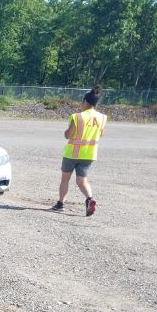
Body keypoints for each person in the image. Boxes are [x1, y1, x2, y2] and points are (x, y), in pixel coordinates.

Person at [53, 86, 107, 216]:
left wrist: (66, 132)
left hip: (72, 153)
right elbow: (101, 135)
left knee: (65, 179)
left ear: (85, 101)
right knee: (82, 181)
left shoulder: (77, 117)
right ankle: (90, 199)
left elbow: (68, 135)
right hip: (89, 154)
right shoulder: (102, 118)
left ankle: (60, 203)